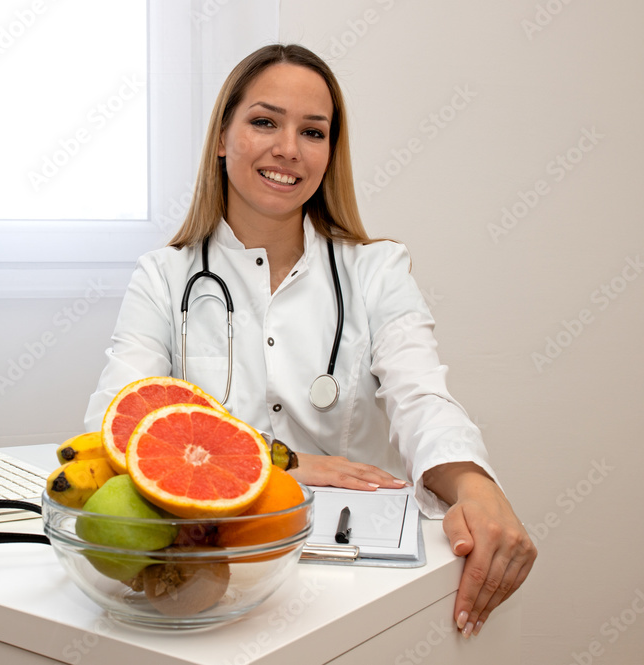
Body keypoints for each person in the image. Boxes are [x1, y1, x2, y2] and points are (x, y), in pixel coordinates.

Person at [83, 43, 535, 637]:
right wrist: (283, 464)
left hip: (358, 580)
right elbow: (117, 425)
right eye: (265, 121)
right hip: (213, 577)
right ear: (223, 137)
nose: (289, 149)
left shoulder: (377, 271)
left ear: (330, 151)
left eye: (313, 132)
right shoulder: (164, 278)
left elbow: (422, 398)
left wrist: (475, 485)